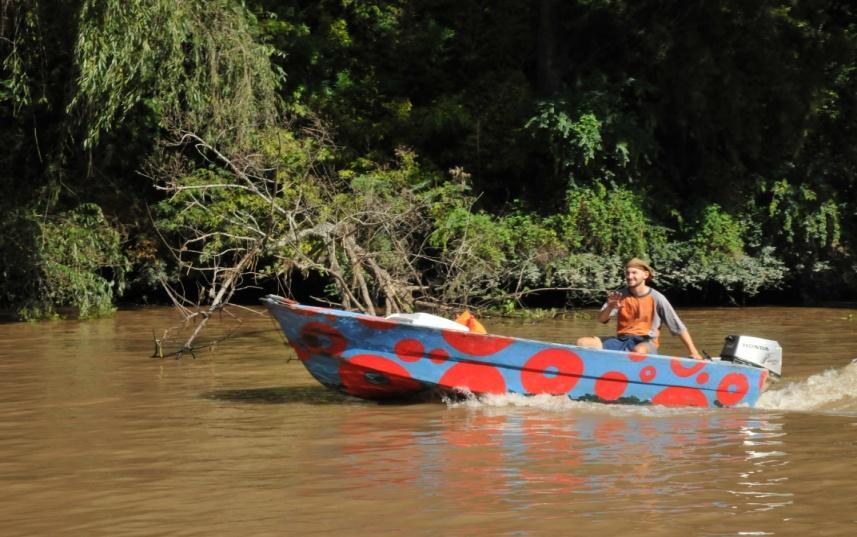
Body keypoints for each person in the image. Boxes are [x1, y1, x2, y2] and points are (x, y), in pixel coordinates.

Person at [576, 258, 702, 359]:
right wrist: (610, 306)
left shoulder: (658, 298)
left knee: (638, 351)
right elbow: (602, 320)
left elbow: (678, 328)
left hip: (646, 343)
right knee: (582, 342)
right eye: (627, 273)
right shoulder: (619, 295)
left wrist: (694, 352)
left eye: (634, 273)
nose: (629, 276)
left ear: (645, 275)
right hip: (621, 340)